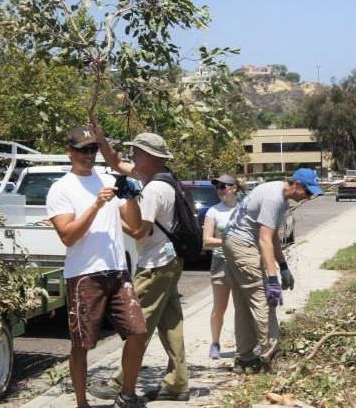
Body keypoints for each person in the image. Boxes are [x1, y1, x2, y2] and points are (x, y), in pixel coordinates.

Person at [46, 126, 148, 408]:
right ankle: (81, 403)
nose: (89, 155)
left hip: (117, 271)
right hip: (84, 275)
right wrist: (95, 205)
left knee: (138, 332)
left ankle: (127, 395)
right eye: (83, 150)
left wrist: (130, 195)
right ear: (70, 152)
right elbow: (68, 236)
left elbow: (135, 226)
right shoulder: (61, 188)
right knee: (82, 344)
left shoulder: (108, 179)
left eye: (93, 149)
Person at [90, 125, 191, 402]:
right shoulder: (163, 178)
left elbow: (138, 232)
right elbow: (115, 162)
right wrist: (101, 140)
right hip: (169, 260)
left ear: (149, 156)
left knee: (137, 324)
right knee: (171, 324)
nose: (132, 155)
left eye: (136, 151)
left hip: (155, 265)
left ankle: (120, 382)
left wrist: (113, 214)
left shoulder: (153, 189)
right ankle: (177, 383)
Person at [223, 168, 320, 372]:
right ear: (297, 185)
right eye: (308, 191)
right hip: (243, 245)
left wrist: (283, 266)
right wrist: (273, 281)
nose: (309, 197)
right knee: (264, 300)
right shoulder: (274, 198)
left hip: (235, 242)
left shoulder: (280, 196)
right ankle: (271, 357)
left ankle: (245, 359)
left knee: (244, 303)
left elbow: (272, 235)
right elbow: (265, 240)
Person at [202, 173, 243, 359]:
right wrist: (228, 241)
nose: (220, 190)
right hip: (220, 263)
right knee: (220, 307)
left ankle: (245, 343)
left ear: (234, 188)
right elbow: (207, 241)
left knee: (243, 306)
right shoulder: (213, 211)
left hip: (242, 261)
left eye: (223, 186)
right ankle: (215, 343)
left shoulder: (244, 209)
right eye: (217, 187)